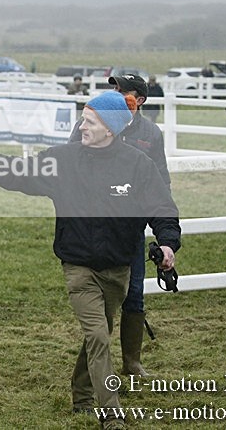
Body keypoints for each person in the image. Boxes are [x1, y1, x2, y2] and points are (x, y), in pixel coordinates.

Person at [0, 91, 181, 429]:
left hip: (118, 270)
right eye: (83, 118)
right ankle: (112, 415)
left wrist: (168, 244)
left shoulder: (137, 165)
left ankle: (81, 393)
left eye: (89, 121)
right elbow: (13, 171)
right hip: (79, 267)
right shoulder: (64, 160)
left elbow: (162, 208)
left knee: (99, 334)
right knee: (99, 337)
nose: (81, 125)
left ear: (110, 128)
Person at [68, 73, 170, 378]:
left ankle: (132, 362)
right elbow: (71, 160)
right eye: (114, 88)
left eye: (123, 90)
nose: (116, 93)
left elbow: (161, 180)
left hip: (129, 229)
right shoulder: (92, 122)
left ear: (138, 100)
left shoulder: (150, 134)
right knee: (99, 301)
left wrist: (162, 225)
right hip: (93, 228)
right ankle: (97, 366)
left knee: (134, 293)